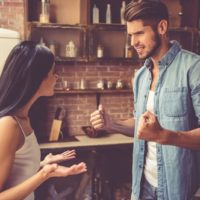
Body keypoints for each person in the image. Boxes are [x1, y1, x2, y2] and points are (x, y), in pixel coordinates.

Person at [90, 1, 200, 200]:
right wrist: (111, 124)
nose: (133, 42)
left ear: (162, 27)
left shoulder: (193, 69)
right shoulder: (141, 76)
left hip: (178, 190)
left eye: (139, 33)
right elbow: (142, 127)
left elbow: (159, 134)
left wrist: (164, 135)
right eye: (130, 35)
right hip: (143, 187)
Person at [0, 41, 87, 200]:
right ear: (36, 77)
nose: (56, 77)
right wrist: (45, 174)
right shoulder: (9, 125)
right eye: (53, 71)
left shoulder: (23, 119)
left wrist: (43, 164)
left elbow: (18, 174)